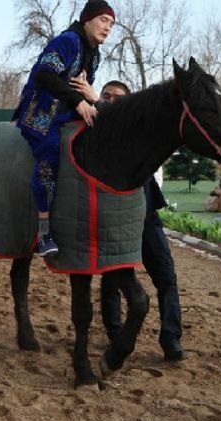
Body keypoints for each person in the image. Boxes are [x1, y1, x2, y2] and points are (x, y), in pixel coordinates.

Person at [12, 0, 115, 257]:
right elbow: (45, 76)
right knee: (49, 154)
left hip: (68, 111)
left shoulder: (95, 55)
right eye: (103, 20)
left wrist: (89, 98)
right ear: (87, 19)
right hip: (41, 112)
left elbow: (81, 88)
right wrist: (79, 100)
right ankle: (44, 232)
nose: (108, 28)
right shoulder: (68, 40)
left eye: (112, 24)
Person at [96, 80, 185, 362]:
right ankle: (115, 333)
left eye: (117, 98)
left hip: (147, 217)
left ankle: (171, 339)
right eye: (105, 96)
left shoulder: (139, 127)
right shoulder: (96, 128)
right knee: (112, 280)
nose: (110, 102)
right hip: (116, 220)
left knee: (166, 277)